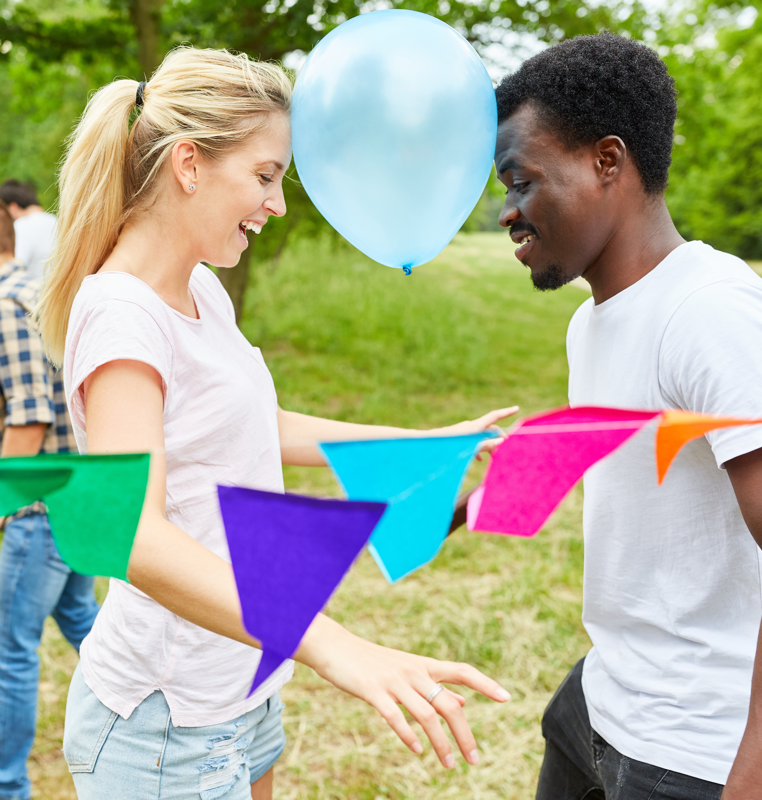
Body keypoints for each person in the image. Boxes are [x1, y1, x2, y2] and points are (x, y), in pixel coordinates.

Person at [34, 47, 516, 800]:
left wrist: (424, 444)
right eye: (265, 176)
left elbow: (258, 424)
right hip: (168, 720)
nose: (277, 204)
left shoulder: (200, 287)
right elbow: (133, 536)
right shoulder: (123, 315)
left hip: (243, 673)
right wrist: (331, 644)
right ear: (188, 165)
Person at [489, 32, 762, 800]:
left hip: (699, 752)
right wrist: (463, 502)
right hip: (602, 702)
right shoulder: (591, 320)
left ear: (608, 162)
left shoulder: (713, 313)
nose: (507, 213)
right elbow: (633, 458)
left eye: (522, 181)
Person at [0, 199, 99, 800]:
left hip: (39, 511)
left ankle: (7, 785)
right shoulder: (35, 291)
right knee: (85, 622)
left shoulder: (5, 305)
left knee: (9, 653)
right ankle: (166, 705)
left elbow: (30, 419)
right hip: (75, 498)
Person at [0, 181, 58, 282]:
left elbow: (11, 268)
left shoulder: (21, 225)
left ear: (13, 208)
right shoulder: (56, 221)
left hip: (31, 290)